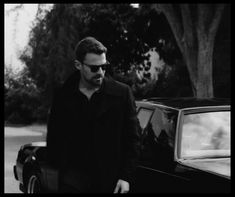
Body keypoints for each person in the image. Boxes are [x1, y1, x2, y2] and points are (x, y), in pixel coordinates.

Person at [46, 37, 141, 193]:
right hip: (72, 180)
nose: (101, 72)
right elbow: (55, 135)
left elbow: (133, 138)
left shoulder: (122, 93)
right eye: (94, 68)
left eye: (104, 67)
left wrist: (126, 177)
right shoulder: (63, 96)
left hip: (110, 181)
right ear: (78, 65)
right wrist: (59, 167)